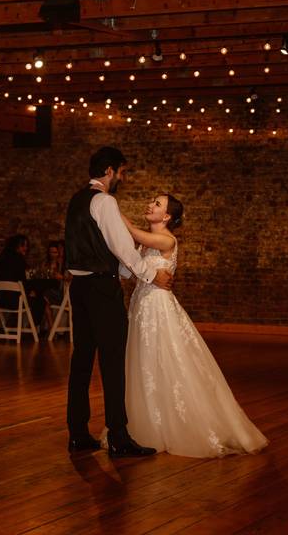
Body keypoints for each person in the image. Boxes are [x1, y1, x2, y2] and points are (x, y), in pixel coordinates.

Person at [121, 194, 268, 457]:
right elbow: (135, 262)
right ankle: (150, 422)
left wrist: (109, 208)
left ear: (166, 217)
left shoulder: (167, 239)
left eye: (157, 204)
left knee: (168, 361)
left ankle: (181, 425)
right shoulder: (147, 244)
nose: (150, 205)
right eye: (152, 201)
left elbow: (134, 233)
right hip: (141, 306)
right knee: (145, 364)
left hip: (159, 309)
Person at [64, 146, 172, 458]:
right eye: (122, 172)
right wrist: (147, 275)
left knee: (81, 360)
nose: (122, 177)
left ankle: (77, 433)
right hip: (100, 289)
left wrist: (126, 271)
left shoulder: (76, 200)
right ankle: (119, 436)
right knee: (112, 363)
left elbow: (100, 246)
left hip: (79, 288)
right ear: (110, 171)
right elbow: (121, 246)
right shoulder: (104, 201)